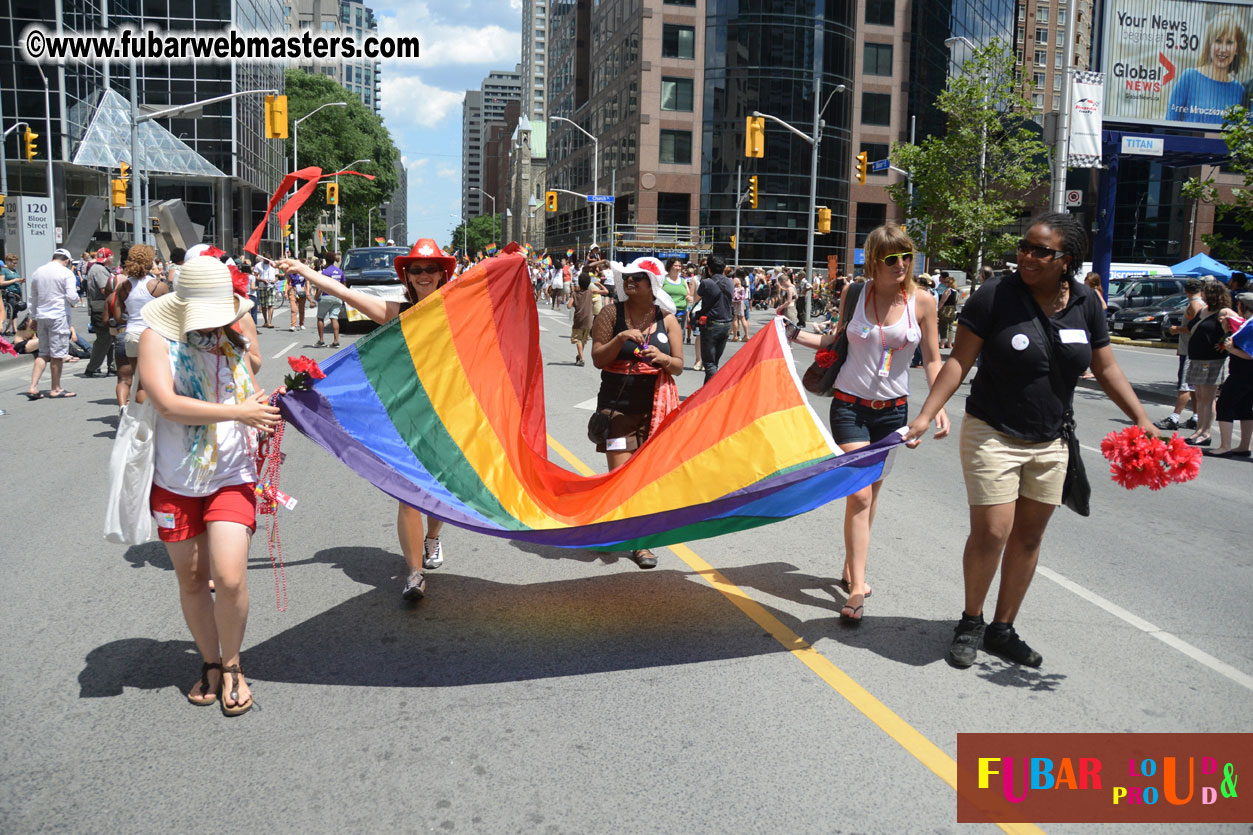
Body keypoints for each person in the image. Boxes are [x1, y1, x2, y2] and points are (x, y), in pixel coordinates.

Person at [903, 212, 1156, 668]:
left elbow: (1106, 367)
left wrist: (1141, 418)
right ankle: (971, 621)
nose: (1027, 256)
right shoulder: (995, 295)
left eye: (1041, 250)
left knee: (1028, 538)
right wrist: (926, 413)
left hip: (1052, 439)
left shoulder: (1086, 303)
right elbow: (959, 361)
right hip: (992, 432)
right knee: (992, 533)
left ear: (1066, 260)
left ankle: (1003, 628)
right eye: (1024, 246)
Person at [137, 255, 280, 716]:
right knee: (194, 578)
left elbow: (248, 393)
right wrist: (241, 413)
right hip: (176, 479)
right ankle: (211, 662)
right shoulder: (156, 339)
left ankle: (234, 664)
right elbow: (166, 403)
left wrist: (261, 411)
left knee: (232, 577)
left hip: (231, 474)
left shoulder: (232, 339)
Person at [788, 224, 948, 623]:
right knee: (858, 495)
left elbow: (931, 358)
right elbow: (836, 341)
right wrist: (790, 333)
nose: (901, 265)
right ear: (875, 261)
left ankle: (851, 566)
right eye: (892, 258)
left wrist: (936, 403)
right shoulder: (855, 294)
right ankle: (857, 588)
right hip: (850, 408)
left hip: (893, 413)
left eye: (906, 256)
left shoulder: (923, 302)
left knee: (871, 496)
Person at [279, 239, 454, 601]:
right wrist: (306, 271)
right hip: (408, 416)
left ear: (442, 274)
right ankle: (415, 573)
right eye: (417, 270)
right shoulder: (397, 312)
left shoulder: (457, 311)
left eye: (430, 269)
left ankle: (433, 537)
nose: (424, 275)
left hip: (449, 415)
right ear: (407, 276)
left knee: (439, 492)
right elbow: (346, 293)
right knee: (408, 495)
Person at [589, 256, 684, 569]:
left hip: (656, 413)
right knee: (620, 478)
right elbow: (598, 359)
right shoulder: (610, 313)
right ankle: (620, 530)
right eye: (626, 278)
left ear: (652, 284)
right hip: (617, 411)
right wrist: (620, 338)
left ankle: (640, 543)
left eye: (637, 279)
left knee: (646, 479)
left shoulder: (668, 320)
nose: (629, 283)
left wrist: (662, 358)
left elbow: (680, 366)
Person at [111, 245, 169, 409]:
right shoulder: (159, 287)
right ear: (150, 263)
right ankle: (148, 419)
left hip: (131, 334)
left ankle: (133, 414)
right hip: (153, 336)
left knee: (139, 381)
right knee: (154, 381)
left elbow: (117, 316)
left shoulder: (123, 287)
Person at [1166, 12, 1247, 125]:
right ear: (1209, 44)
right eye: (1218, 41)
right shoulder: (1189, 78)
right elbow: (1169, 126)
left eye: (1229, 42)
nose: (1223, 49)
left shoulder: (1239, 91)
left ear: (1237, 48)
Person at [1184, 279, 1233, 447]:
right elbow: (1192, 327)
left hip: (1212, 359)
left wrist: (1225, 342)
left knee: (1208, 397)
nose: (1202, 294)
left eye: (1205, 291)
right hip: (1197, 357)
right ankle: (1199, 430)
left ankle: (1206, 432)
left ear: (1213, 294)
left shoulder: (1224, 311)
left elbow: (1239, 328)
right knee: (1199, 396)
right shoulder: (1203, 310)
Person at [25, 248, 79, 400]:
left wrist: (33, 317)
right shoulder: (66, 273)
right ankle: (56, 388)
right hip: (58, 315)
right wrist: (74, 301)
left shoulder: (38, 272)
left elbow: (33, 297)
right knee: (57, 354)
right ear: (67, 260)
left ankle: (33, 386)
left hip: (41, 315)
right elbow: (71, 296)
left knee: (43, 352)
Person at [1207, 292, 1253, 458]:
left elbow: (1249, 354)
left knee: (1225, 405)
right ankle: (1243, 446)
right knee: (1245, 408)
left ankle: (1225, 446)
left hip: (1243, 373)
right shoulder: (1248, 323)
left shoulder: (1251, 325)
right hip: (1246, 374)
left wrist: (1231, 349)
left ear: (1242, 306)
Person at [1156, 278, 1204, 431]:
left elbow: (1192, 327)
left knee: (1184, 385)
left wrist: (1176, 329)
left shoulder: (1194, 305)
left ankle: (1174, 418)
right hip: (1192, 349)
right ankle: (1196, 417)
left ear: (1186, 291)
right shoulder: (1202, 303)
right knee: (1193, 386)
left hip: (1190, 350)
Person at [696, 255, 734, 382]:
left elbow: (696, 299)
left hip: (711, 325)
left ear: (709, 269)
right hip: (727, 324)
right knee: (714, 363)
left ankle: (711, 394)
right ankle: (708, 392)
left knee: (709, 364)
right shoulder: (730, 282)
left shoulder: (706, 283)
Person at [83, 248, 118, 378]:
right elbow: (105, 289)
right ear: (108, 257)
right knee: (104, 339)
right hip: (101, 308)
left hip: (102, 307)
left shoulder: (99, 268)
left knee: (110, 338)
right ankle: (92, 368)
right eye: (112, 257)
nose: (113, 259)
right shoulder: (100, 270)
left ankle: (112, 367)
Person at [313, 251, 344, 348]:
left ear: (326, 260)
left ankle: (321, 340)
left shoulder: (325, 272)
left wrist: (316, 296)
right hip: (337, 297)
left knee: (320, 318)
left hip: (326, 296)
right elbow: (344, 286)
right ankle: (336, 341)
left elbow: (321, 286)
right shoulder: (340, 271)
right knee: (334, 318)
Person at [568, 265, 597, 366]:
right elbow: (606, 291)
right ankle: (579, 356)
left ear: (579, 282)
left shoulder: (575, 294)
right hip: (589, 320)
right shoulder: (590, 292)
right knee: (583, 339)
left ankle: (582, 358)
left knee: (578, 339)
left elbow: (568, 306)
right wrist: (599, 284)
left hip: (578, 320)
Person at [1, 253, 25, 336]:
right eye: (13, 263)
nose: (14, 265)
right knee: (12, 309)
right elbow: (1, 282)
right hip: (9, 292)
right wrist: (14, 280)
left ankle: (14, 329)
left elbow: (16, 280)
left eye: (15, 263)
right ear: (8, 261)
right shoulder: (4, 270)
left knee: (16, 310)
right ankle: (7, 329)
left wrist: (20, 281)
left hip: (17, 292)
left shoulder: (14, 271)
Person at [937, 274, 958, 349]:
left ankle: (942, 344)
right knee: (950, 327)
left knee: (944, 327)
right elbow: (956, 302)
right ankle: (949, 344)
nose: (944, 283)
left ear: (948, 283)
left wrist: (938, 309)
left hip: (945, 310)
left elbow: (943, 301)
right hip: (952, 310)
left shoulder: (947, 290)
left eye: (946, 282)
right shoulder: (956, 291)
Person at [286, 261, 308, 331]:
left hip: (301, 291)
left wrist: (307, 290)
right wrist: (286, 292)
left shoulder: (303, 273)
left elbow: (307, 282)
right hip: (293, 291)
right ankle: (293, 325)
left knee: (301, 309)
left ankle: (301, 324)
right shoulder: (291, 274)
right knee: (294, 309)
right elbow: (287, 282)